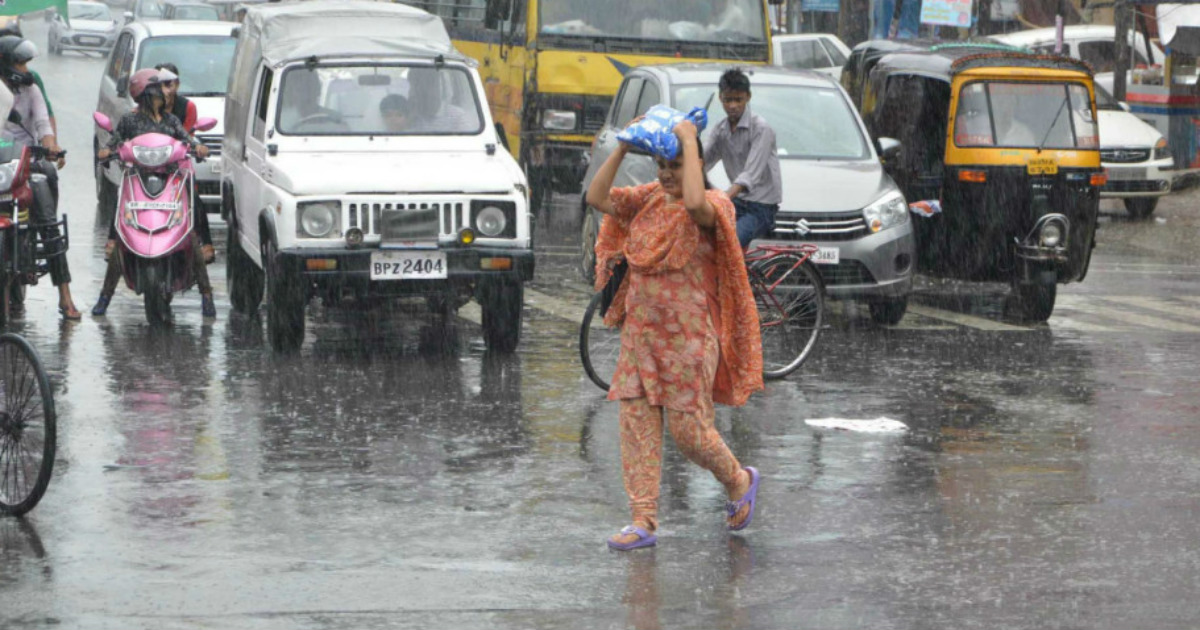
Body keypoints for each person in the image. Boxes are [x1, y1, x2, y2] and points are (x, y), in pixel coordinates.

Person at [585, 114, 765, 551]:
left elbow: (693, 204)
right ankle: (643, 519)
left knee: (690, 435)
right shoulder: (646, 199)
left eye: (675, 166)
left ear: (695, 164)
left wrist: (688, 142)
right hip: (641, 338)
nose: (665, 174)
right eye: (661, 166)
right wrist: (625, 148)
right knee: (636, 429)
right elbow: (597, 196)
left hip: (688, 342)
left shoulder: (714, 205)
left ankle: (739, 480)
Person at [92, 68, 215, 319]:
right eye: (158, 90)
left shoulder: (171, 121)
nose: (164, 94)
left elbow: (186, 141)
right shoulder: (130, 120)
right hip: (137, 180)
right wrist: (107, 151)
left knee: (187, 232)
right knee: (124, 235)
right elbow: (114, 142)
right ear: (147, 94)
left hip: (170, 181)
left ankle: (206, 294)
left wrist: (198, 148)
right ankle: (105, 295)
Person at [0, 36, 81, 320]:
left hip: (26, 163)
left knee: (48, 221)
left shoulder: (31, 87)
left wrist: (51, 146)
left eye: (25, 63)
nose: (24, 68)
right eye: (19, 63)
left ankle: (65, 295)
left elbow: (43, 123)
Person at [704, 68, 783, 250]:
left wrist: (725, 196)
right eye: (728, 100)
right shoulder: (720, 130)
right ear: (720, 98)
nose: (732, 105)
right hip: (737, 203)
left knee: (729, 245)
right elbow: (703, 161)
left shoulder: (761, 129)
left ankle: (735, 278)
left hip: (761, 207)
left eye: (738, 100)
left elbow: (750, 175)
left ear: (748, 97)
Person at [156, 62, 214, 264]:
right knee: (126, 189)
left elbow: (186, 135)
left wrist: (196, 146)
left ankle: (205, 242)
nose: (165, 89)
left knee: (193, 195)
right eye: (160, 84)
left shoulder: (186, 107)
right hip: (149, 162)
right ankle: (114, 240)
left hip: (177, 162)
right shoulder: (140, 109)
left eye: (169, 83)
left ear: (177, 85)